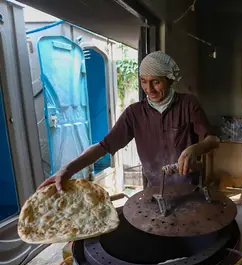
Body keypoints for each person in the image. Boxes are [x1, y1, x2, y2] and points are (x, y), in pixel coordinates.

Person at [38, 51, 219, 190]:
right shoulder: (135, 114)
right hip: (154, 192)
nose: (149, 89)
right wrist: (67, 170)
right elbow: (103, 147)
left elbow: (213, 140)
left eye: (156, 82)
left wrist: (196, 148)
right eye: (143, 82)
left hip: (189, 190)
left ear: (170, 80)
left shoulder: (188, 104)